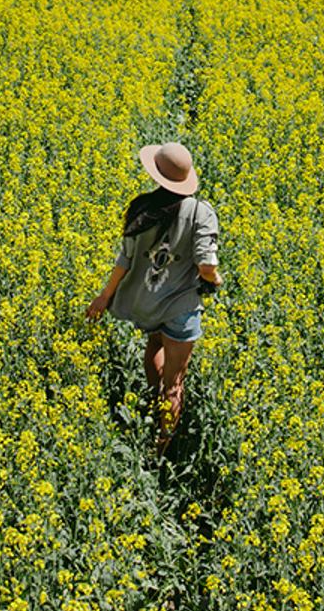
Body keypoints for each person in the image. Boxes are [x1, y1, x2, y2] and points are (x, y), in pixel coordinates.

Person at [85, 140, 223, 452]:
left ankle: (152, 400)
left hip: (148, 304)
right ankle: (160, 447)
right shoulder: (202, 213)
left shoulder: (141, 209)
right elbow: (206, 264)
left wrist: (104, 297)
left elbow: (125, 260)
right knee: (174, 384)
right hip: (181, 310)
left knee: (154, 345)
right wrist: (215, 279)